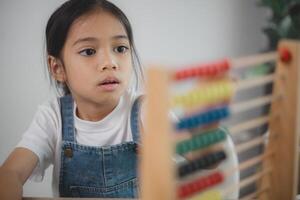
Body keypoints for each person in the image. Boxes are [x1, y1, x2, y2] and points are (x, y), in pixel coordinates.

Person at [0, 0, 144, 198]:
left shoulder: (147, 110)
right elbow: (10, 172)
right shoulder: (53, 118)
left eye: (120, 48)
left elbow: (193, 148)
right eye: (89, 51)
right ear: (57, 68)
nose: (110, 63)